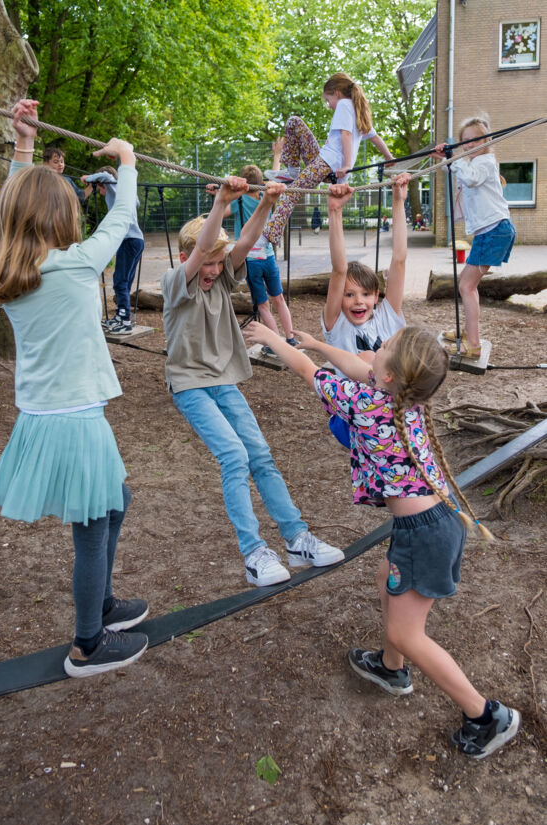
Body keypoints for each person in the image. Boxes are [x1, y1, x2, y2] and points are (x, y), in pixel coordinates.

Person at [242, 321, 521, 760]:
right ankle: (391, 669)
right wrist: (319, 343)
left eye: (386, 345)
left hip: (423, 533)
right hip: (434, 522)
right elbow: (360, 366)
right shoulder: (406, 396)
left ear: (389, 374)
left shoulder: (367, 402)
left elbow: (306, 370)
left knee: (407, 634)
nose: (377, 347)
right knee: (383, 577)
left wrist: (272, 339)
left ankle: (485, 715)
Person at [0, 99, 149, 678]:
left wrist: (25, 144)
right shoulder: (78, 264)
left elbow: (13, 208)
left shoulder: (12, 268)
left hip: (44, 416)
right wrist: (127, 160)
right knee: (94, 525)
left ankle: (102, 604)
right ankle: (88, 642)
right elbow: (122, 214)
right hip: (76, 419)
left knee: (116, 503)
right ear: (61, 216)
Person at [160, 175, 345, 587]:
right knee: (234, 456)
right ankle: (254, 553)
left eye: (217, 263)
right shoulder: (176, 283)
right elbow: (202, 250)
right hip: (190, 385)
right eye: (206, 262)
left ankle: (296, 539)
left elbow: (244, 242)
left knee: (260, 455)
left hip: (222, 380)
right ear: (186, 257)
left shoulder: (221, 276)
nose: (213, 270)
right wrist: (221, 204)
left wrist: (266, 202)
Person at [323, 174, 411, 447]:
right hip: (353, 417)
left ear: (376, 296)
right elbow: (339, 270)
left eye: (365, 294)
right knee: (367, 357)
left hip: (391, 413)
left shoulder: (387, 317)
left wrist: (398, 201)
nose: (358, 302)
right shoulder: (337, 325)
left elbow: (399, 260)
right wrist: (335, 211)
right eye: (349, 295)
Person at [263, 72, 394, 246]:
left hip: (328, 164)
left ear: (337, 93)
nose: (329, 105)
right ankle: (292, 171)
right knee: (294, 122)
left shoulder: (344, 105)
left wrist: (347, 165)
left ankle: (268, 238)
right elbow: (375, 138)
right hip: (324, 160)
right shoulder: (357, 110)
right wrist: (389, 157)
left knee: (291, 193)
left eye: (328, 100)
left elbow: (346, 134)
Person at [432, 116, 516, 359]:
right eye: (465, 140)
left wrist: (454, 158)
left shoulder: (485, 162)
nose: (469, 144)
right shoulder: (472, 162)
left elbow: (470, 178)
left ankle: (473, 343)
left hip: (494, 231)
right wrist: (444, 156)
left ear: (487, 141)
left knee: (466, 285)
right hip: (491, 231)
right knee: (467, 284)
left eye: (475, 140)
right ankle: (470, 333)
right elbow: (452, 168)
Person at [206, 157, 297, 356]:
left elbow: (222, 212)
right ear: (261, 183)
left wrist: (218, 195)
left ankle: (275, 344)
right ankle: (291, 338)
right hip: (268, 257)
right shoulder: (266, 196)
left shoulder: (239, 200)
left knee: (263, 305)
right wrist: (277, 156)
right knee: (279, 299)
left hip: (250, 260)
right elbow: (274, 177)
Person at [81, 166, 145, 335]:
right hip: (137, 240)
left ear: (103, 184)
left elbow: (105, 175)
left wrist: (88, 178)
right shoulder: (126, 194)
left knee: (120, 281)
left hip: (129, 240)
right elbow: (137, 203)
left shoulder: (113, 186)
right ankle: (121, 315)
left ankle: (124, 320)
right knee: (125, 282)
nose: (100, 192)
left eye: (99, 188)